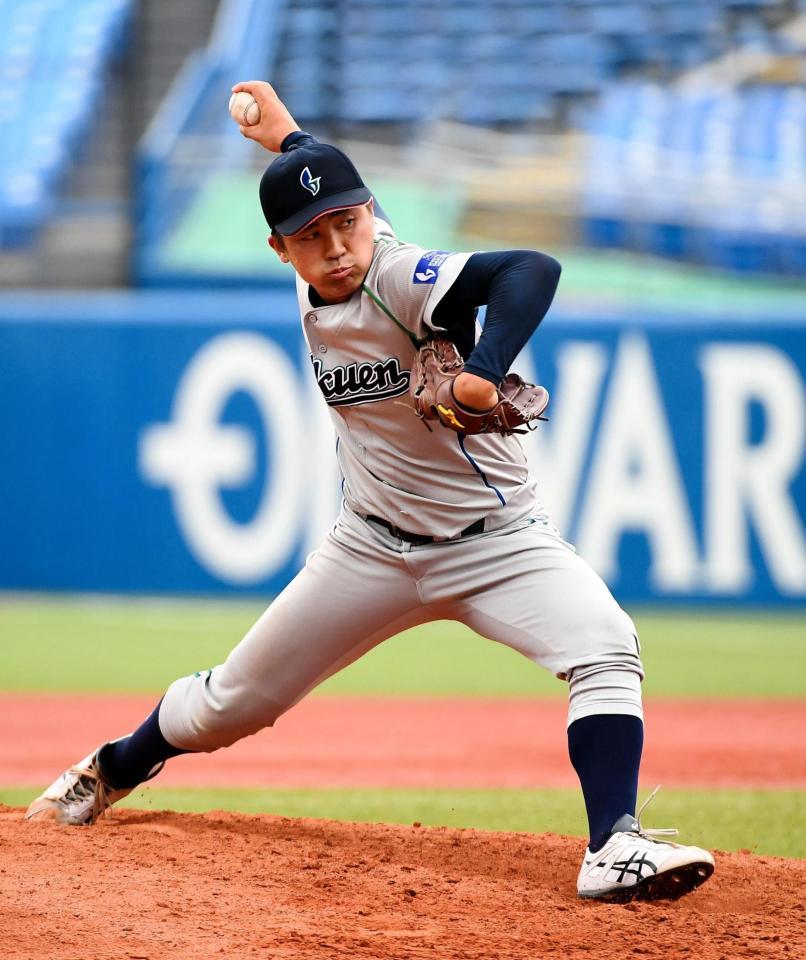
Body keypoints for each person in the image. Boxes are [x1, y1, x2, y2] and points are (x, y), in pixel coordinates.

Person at [26, 81, 714, 903]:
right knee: (229, 705)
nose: (338, 247)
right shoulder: (316, 269)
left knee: (606, 645)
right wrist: (285, 138)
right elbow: (318, 180)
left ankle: (614, 845)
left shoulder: (401, 274)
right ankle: (107, 771)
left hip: (496, 542)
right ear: (282, 254)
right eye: (311, 238)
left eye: (349, 223)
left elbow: (534, 268)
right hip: (370, 547)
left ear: (373, 213)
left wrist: (481, 374)